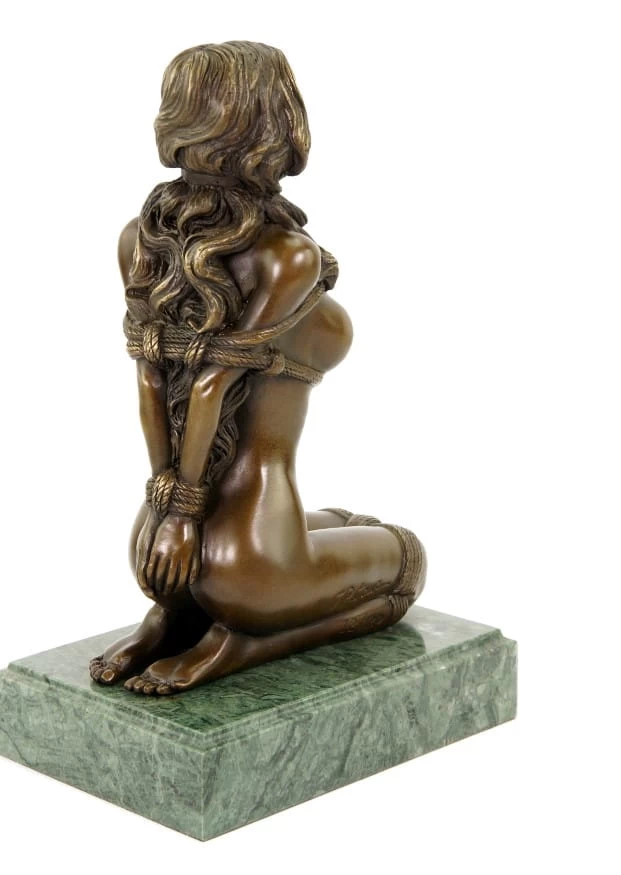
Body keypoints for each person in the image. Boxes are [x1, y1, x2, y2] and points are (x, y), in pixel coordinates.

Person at [90, 41, 426, 694]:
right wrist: (188, 516)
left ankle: (170, 617)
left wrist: (168, 511)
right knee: (406, 561)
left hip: (154, 536)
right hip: (249, 550)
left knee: (335, 525)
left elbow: (151, 377)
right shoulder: (286, 257)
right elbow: (214, 381)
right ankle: (239, 642)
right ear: (277, 125)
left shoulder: (142, 238)